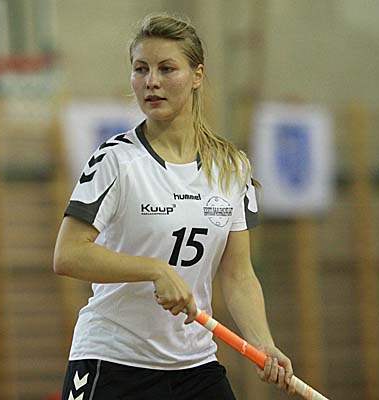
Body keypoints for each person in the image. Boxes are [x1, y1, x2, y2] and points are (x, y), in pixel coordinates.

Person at [53, 13, 296, 399]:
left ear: (197, 75)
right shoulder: (116, 160)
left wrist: (263, 341)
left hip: (195, 366)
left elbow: (238, 274)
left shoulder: (232, 168)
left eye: (167, 69)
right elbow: (68, 255)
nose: (151, 81)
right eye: (141, 69)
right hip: (114, 362)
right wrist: (154, 270)